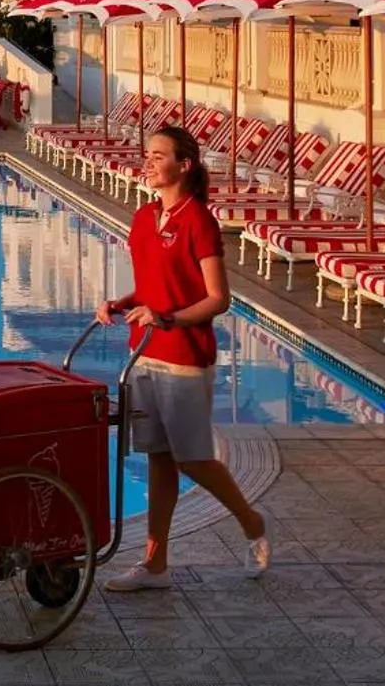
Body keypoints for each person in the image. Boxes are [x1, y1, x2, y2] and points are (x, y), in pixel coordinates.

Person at [95, 124, 269, 590]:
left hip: (184, 357)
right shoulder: (143, 218)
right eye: (148, 154)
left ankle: (252, 522)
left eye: (158, 155)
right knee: (157, 457)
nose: (148, 162)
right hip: (144, 354)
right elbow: (152, 289)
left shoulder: (198, 221)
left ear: (184, 165)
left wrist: (168, 318)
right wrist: (122, 303)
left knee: (191, 458)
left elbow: (218, 298)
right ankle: (155, 566)